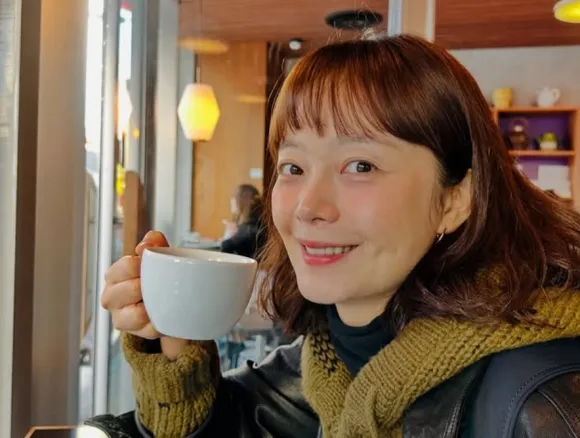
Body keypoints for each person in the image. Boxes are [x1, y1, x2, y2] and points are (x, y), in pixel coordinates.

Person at [90, 34, 580, 438]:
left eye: (360, 165)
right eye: (293, 167)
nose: (308, 207)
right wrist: (174, 333)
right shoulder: (327, 363)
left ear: (455, 199)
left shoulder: (541, 404)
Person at [220, 183, 266, 259]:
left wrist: (229, 236)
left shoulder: (248, 229)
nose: (231, 201)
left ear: (242, 201)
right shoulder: (258, 224)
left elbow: (225, 249)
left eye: (234, 197)